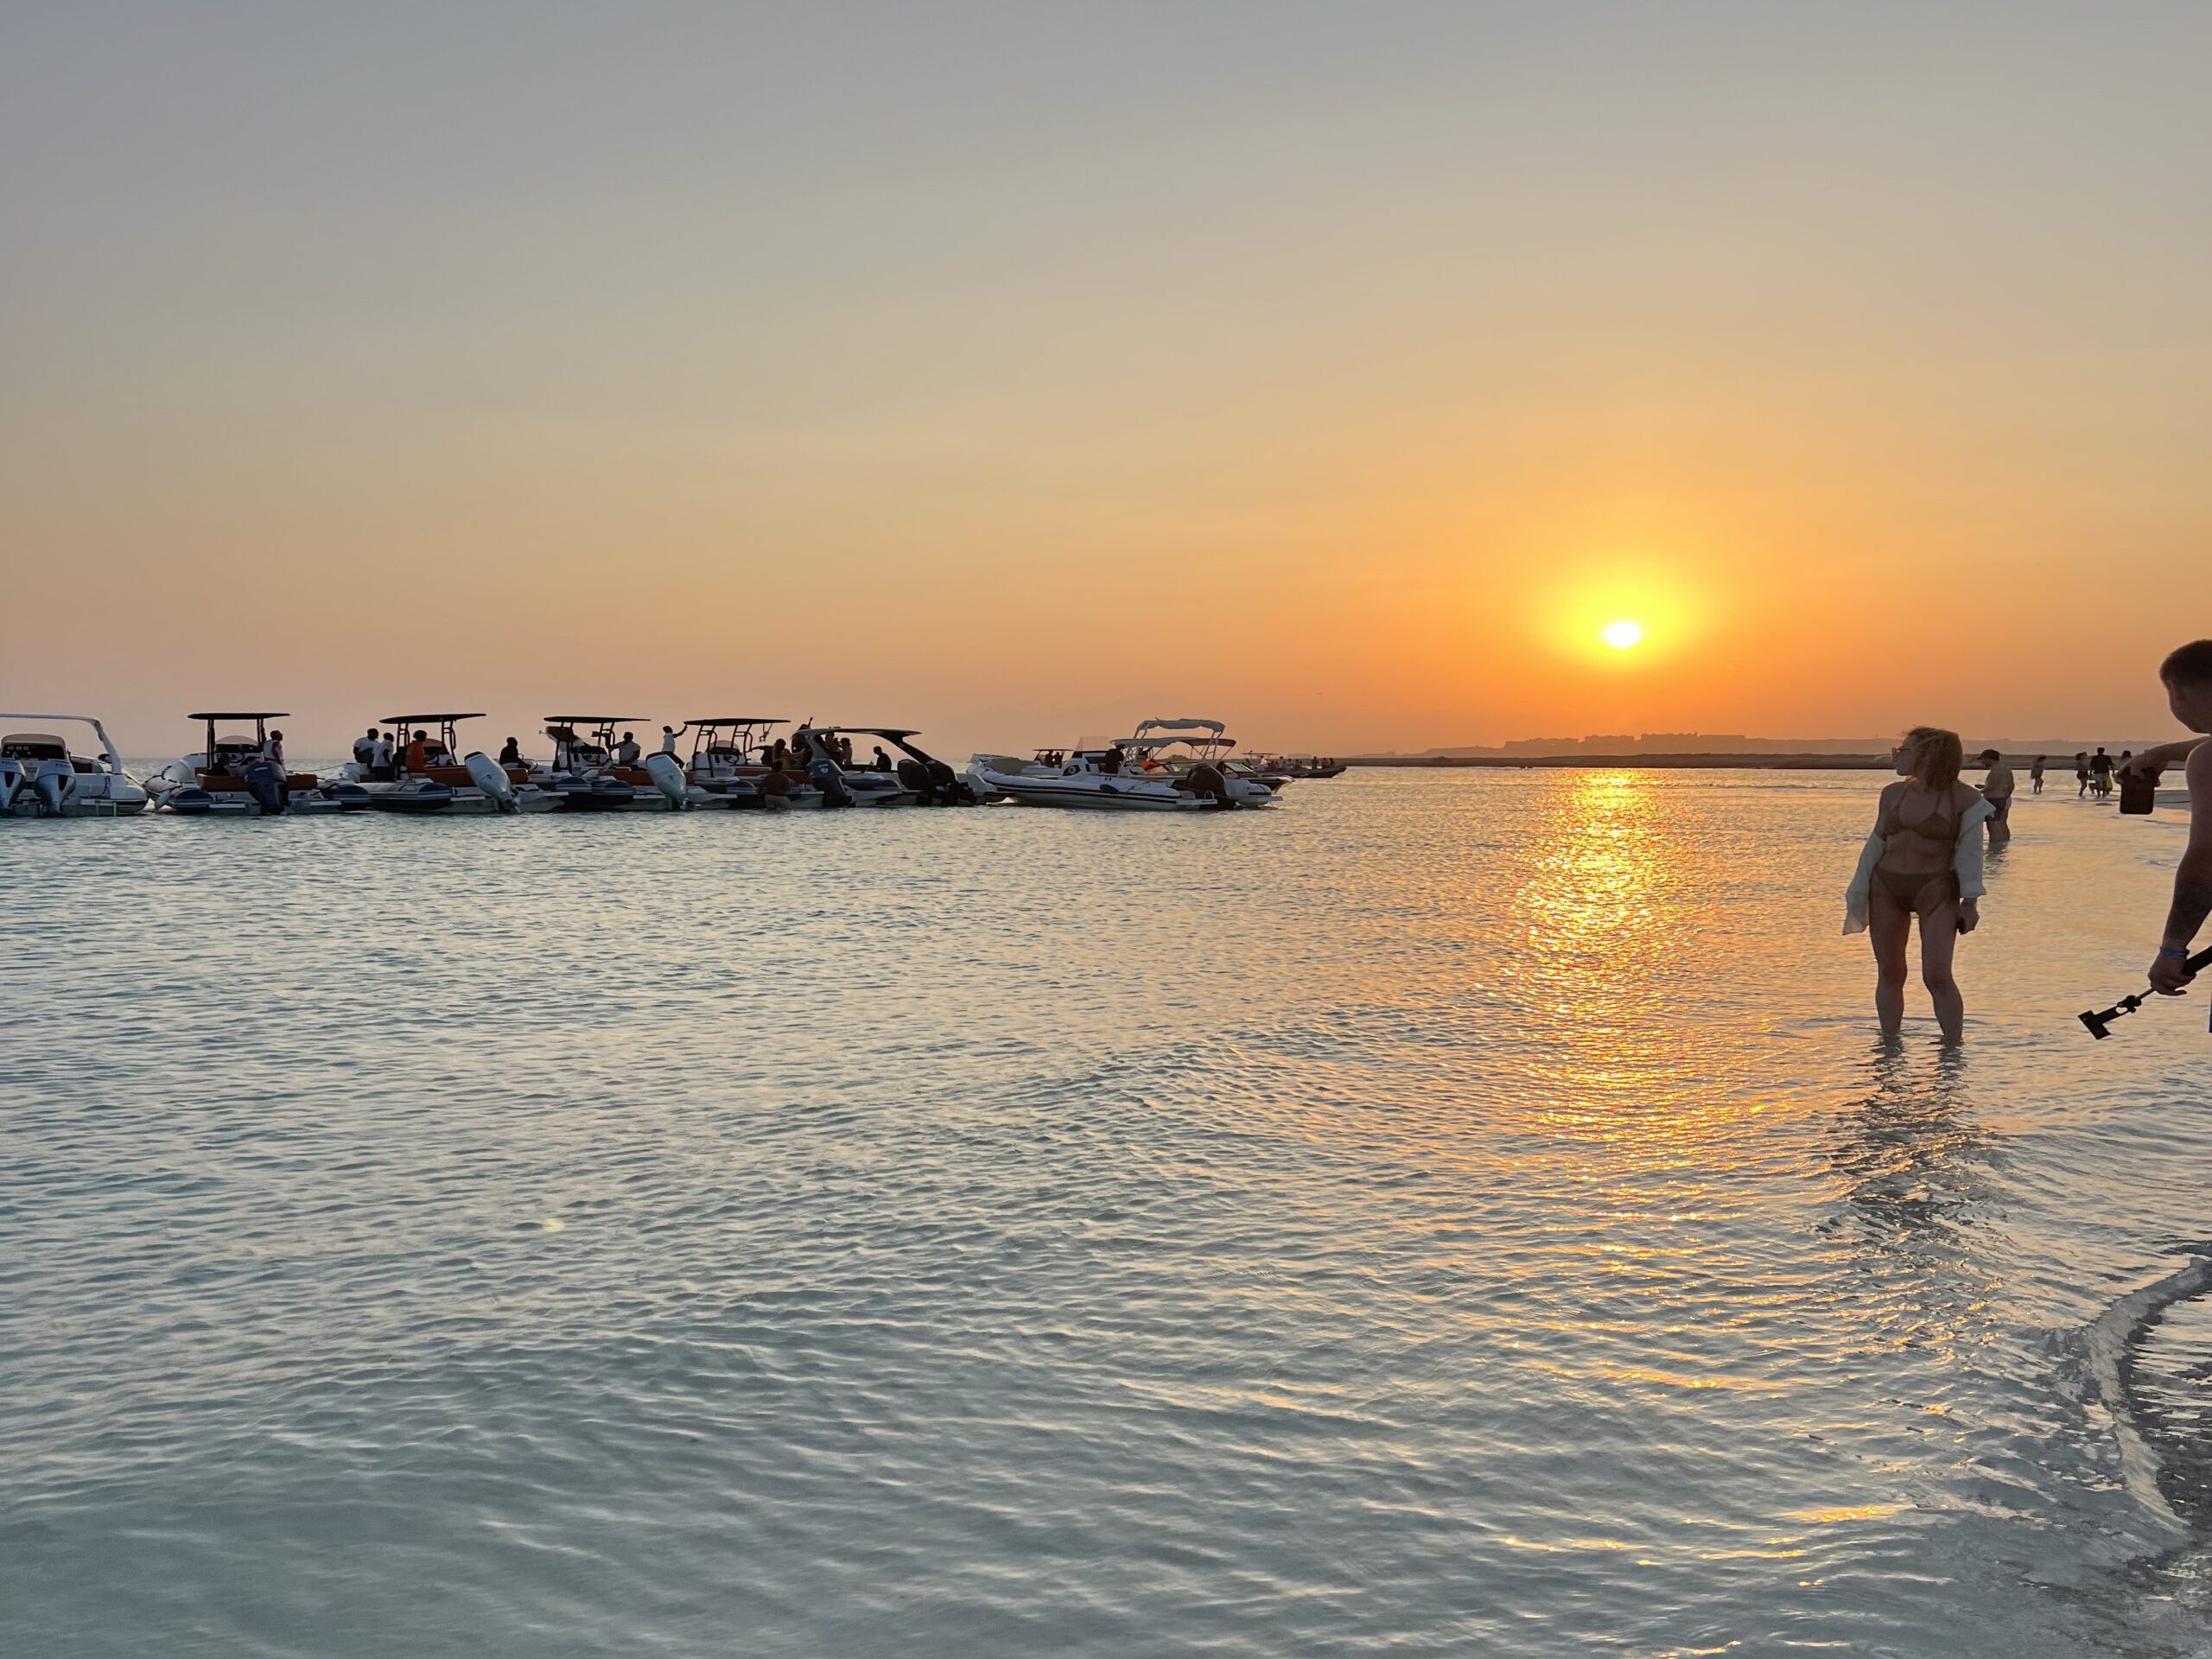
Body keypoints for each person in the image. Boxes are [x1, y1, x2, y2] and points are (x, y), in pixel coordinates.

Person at [1845, 727, 1992, 1043]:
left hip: (1936, 889)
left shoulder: (1965, 798)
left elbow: (1970, 851)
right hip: (1886, 886)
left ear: (1928, 755)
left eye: (1905, 749)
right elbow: (1875, 844)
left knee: (1937, 975)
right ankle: (1889, 1048)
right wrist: (1857, 891)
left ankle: (1953, 1053)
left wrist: (1970, 901)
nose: (1897, 755)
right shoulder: (1892, 794)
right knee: (1890, 972)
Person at [2117, 643, 2212, 999]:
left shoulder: (2207, 760)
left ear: (2177, 689)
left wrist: (2173, 949)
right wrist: (2162, 753)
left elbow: (2206, 860)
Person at [1978, 748, 2014, 845]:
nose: (1982, 762)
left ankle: (1994, 847)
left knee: (1992, 825)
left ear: (1989, 758)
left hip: (1993, 800)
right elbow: (2010, 785)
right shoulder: (2006, 769)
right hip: (2004, 799)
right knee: (2002, 824)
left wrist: (1978, 792)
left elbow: (1991, 787)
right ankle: (2004, 844)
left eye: (1983, 759)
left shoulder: (1995, 769)